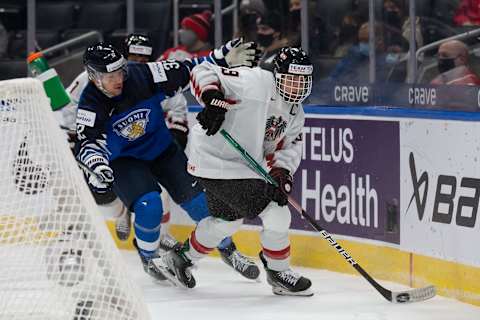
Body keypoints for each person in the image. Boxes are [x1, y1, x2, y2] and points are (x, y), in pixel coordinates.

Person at [76, 40, 261, 282]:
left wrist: (222, 59)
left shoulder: (142, 74)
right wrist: (98, 164)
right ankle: (149, 256)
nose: (118, 80)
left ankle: (228, 249)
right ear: (93, 77)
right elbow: (88, 142)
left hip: (162, 150)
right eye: (109, 76)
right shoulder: (90, 103)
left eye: (119, 72)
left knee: (202, 205)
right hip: (125, 161)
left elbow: (188, 69)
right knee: (149, 205)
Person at [157, 47, 314, 296]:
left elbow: (288, 147)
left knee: (226, 222)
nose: (297, 86)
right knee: (276, 213)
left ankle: (180, 258)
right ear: (278, 75)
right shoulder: (253, 81)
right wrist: (212, 98)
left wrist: (282, 172)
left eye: (303, 80)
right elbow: (202, 70)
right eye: (292, 79)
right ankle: (278, 271)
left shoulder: (296, 113)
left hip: (240, 167)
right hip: (212, 159)